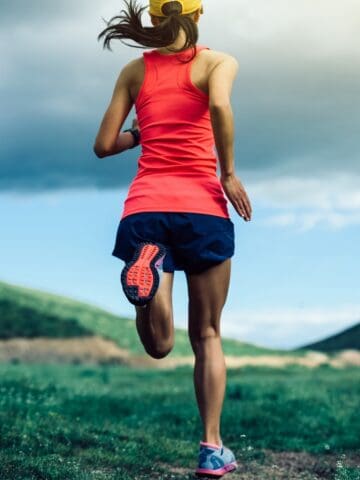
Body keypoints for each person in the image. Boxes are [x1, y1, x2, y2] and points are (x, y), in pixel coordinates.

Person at [94, 0, 252, 476]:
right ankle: (212, 447)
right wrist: (229, 174)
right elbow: (220, 104)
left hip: (145, 209)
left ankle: (149, 281)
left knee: (158, 344)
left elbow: (103, 145)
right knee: (206, 334)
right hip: (201, 207)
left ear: (155, 20)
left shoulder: (134, 70)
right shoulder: (218, 62)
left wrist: (141, 134)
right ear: (198, 17)